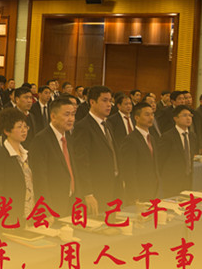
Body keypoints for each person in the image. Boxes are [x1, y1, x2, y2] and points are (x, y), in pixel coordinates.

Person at [72, 86, 120, 214]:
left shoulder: (107, 124)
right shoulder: (83, 126)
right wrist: (88, 193)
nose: (109, 105)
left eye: (110, 100)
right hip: (96, 189)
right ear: (92, 102)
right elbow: (82, 162)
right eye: (104, 100)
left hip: (111, 185)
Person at [0, 107, 34, 232]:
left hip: (28, 215)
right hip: (8, 219)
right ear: (7, 131)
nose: (24, 130)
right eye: (19, 127)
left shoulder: (26, 154)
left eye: (25, 126)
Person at [29, 97, 77, 215]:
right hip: (53, 204)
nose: (71, 119)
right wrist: (46, 209)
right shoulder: (41, 140)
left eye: (73, 114)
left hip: (71, 201)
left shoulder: (69, 138)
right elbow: (40, 178)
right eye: (66, 114)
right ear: (53, 116)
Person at [119, 102, 159, 204]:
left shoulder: (152, 138)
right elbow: (129, 170)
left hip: (152, 189)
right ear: (136, 118)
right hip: (139, 192)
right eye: (147, 115)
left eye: (152, 114)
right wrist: (134, 195)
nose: (151, 118)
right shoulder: (130, 140)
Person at [157, 105, 198, 197]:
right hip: (172, 180)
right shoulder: (168, 136)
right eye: (184, 115)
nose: (188, 118)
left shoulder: (192, 136)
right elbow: (160, 159)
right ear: (176, 118)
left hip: (188, 179)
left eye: (190, 115)